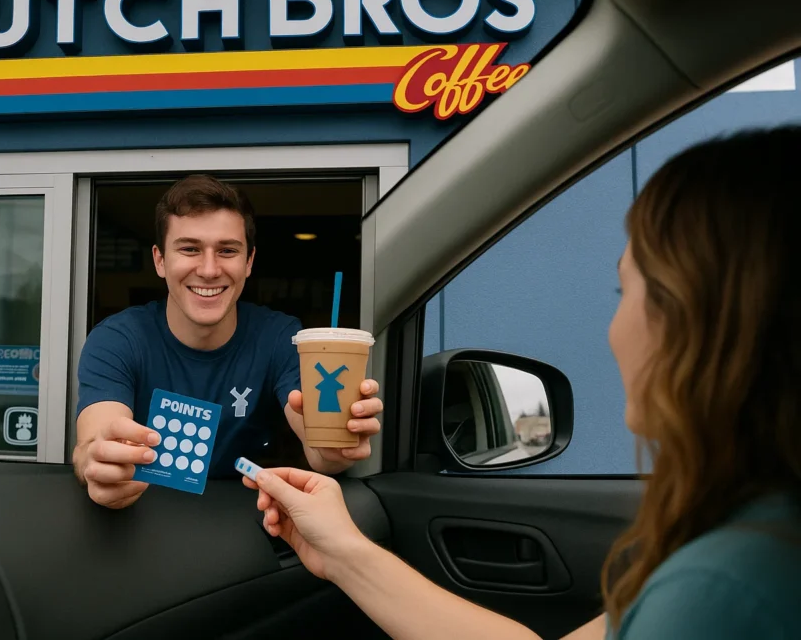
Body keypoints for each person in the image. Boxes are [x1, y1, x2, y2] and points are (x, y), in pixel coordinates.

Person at [242, 126, 801, 639]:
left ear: (694, 319)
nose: (613, 329)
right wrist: (342, 553)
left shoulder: (728, 590)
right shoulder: (748, 550)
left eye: (622, 292)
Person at [73, 174, 383, 509]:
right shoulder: (118, 339)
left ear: (248, 262)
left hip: (248, 525)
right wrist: (100, 465)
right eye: (190, 249)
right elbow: (93, 442)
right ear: (160, 260)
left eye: (227, 250)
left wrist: (334, 449)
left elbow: (317, 444)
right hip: (142, 521)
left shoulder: (279, 337)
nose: (209, 269)